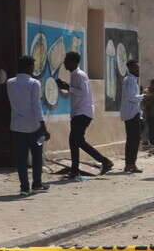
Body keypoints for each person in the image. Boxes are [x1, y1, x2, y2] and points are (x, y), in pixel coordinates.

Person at [55, 51, 113, 180]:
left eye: (67, 60)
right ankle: (75, 170)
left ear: (74, 62)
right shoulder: (75, 75)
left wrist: (67, 87)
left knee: (77, 140)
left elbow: (83, 92)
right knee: (74, 141)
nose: (65, 63)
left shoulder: (80, 75)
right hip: (78, 112)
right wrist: (66, 87)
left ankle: (104, 161)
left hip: (83, 112)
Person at [8, 55, 49, 195]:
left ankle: (24, 187)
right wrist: (43, 125)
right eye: (32, 66)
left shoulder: (10, 82)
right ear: (29, 67)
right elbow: (36, 106)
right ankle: (36, 183)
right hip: (34, 126)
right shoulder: (34, 83)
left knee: (21, 158)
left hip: (17, 126)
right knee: (37, 155)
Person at [120, 60, 145, 173]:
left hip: (133, 112)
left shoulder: (132, 80)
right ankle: (130, 164)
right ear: (131, 68)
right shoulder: (130, 80)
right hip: (131, 113)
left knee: (133, 139)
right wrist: (144, 96)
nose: (138, 70)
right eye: (136, 68)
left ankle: (130, 164)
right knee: (133, 139)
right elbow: (132, 97)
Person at [142, 79, 154, 145]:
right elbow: (146, 103)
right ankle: (149, 142)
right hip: (150, 114)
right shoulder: (146, 91)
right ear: (152, 84)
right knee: (150, 129)